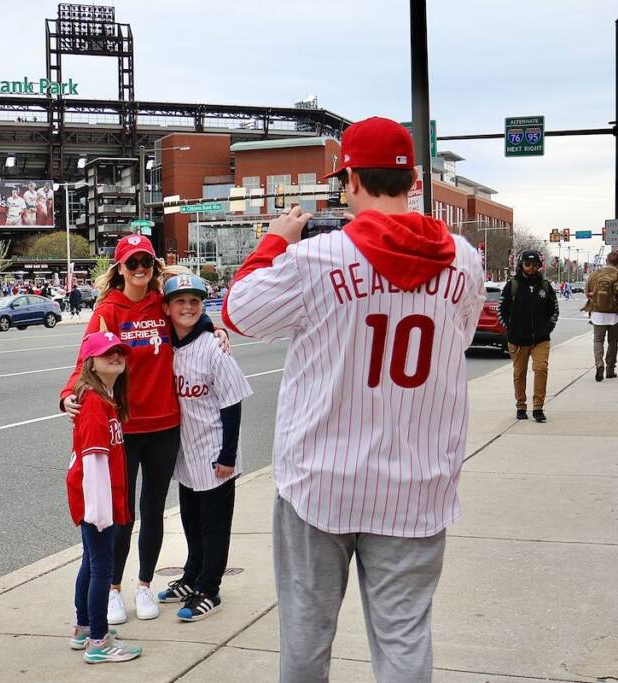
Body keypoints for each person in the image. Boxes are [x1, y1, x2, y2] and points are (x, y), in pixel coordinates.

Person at [223, 117, 485, 682]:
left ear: (350, 182)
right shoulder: (463, 259)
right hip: (416, 483)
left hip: (320, 479)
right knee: (404, 642)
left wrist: (275, 239)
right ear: (413, 179)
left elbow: (237, 311)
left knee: (306, 641)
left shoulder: (317, 259)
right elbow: (459, 338)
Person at [61, 234, 229, 625]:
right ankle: (114, 589)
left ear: (154, 268)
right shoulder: (109, 310)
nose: (140, 269)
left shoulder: (160, 303)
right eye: (132, 263)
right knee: (123, 514)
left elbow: (191, 315)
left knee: (154, 512)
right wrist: (68, 394)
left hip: (166, 425)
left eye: (146, 263)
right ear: (120, 268)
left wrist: (215, 328)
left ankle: (144, 583)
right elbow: (86, 359)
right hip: (125, 426)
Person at [157, 273, 252, 622]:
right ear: (167, 307)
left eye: (195, 301)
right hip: (187, 452)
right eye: (180, 301)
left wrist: (227, 456)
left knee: (214, 527)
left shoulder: (214, 347)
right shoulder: (167, 344)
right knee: (190, 521)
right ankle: (192, 574)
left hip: (215, 451)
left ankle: (209, 589)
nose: (188, 307)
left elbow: (232, 403)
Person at [66, 331, 143, 664]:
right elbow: (93, 460)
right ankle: (98, 641)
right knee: (102, 568)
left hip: (96, 500)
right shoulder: (96, 403)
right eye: (107, 353)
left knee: (91, 563)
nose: (116, 358)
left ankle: (84, 627)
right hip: (98, 502)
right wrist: (100, 512)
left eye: (120, 353)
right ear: (91, 363)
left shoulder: (105, 397)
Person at [499, 250, 558, 422]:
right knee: (520, 372)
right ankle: (521, 405)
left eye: (534, 265)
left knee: (541, 369)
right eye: (527, 264)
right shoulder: (513, 285)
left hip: (541, 339)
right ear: (522, 265)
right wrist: (510, 330)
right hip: (518, 339)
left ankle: (538, 407)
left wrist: (547, 328)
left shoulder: (545, 286)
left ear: (539, 266)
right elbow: (502, 310)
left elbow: (554, 309)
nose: (531, 268)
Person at [583, 251, 618, 381]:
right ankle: (610, 370)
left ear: (606, 261)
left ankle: (599, 365)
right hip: (615, 314)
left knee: (598, 340)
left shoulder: (595, 274)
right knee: (613, 342)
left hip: (597, 313)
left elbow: (587, 292)